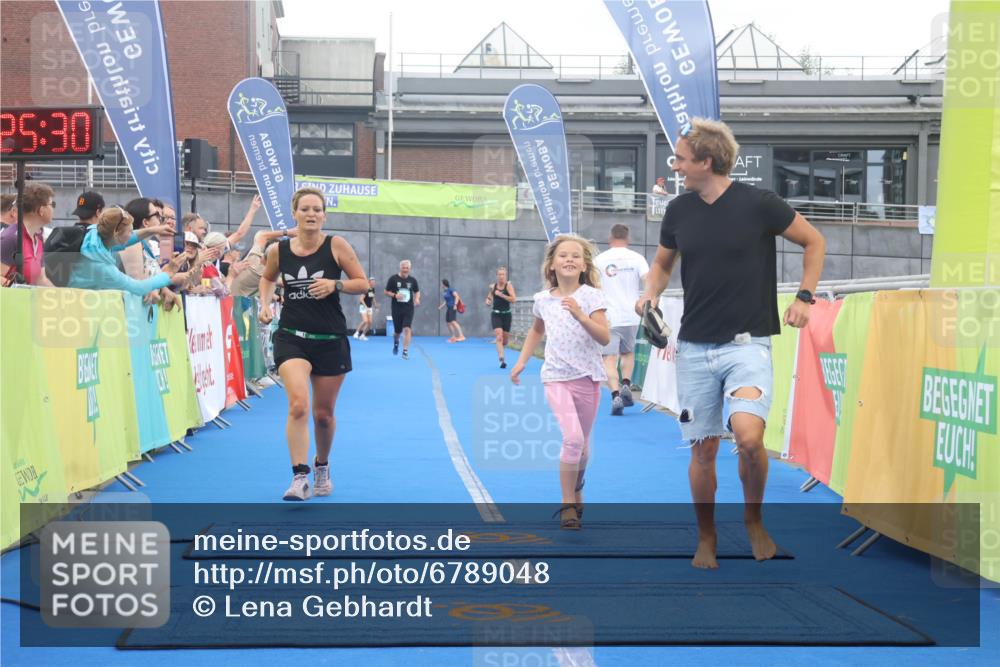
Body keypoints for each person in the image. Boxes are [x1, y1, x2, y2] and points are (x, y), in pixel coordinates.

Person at [636, 118, 825, 569]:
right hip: (694, 348)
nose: (675, 166)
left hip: (748, 345)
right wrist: (650, 294)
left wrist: (805, 297)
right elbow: (662, 265)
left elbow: (814, 241)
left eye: (681, 158)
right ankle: (707, 537)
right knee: (704, 449)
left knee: (749, 437)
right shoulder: (679, 210)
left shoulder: (759, 204)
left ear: (706, 161)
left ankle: (754, 520)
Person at [258, 187, 367, 501]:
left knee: (323, 414)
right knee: (298, 405)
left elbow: (361, 282)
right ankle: (299, 476)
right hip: (292, 337)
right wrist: (266, 304)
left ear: (324, 215)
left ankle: (322, 465)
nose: (311, 214)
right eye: (304, 209)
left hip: (330, 339)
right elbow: (267, 278)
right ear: (294, 213)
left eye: (317, 209)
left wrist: (335, 283)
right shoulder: (280, 250)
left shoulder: (336, 246)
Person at [510, 234, 610, 530]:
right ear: (552, 264)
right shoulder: (542, 300)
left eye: (576, 256)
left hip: (588, 378)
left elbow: (604, 337)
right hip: (555, 378)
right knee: (573, 439)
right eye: (563, 255)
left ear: (584, 265)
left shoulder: (592, 297)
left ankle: (578, 487)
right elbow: (536, 331)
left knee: (584, 447)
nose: (569, 259)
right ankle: (567, 504)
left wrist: (581, 315)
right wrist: (522, 361)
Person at [68, 207, 189, 296]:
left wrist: (153, 230)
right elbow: (138, 288)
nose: (132, 234)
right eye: (130, 231)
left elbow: (128, 237)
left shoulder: (94, 234)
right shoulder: (101, 268)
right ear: (116, 233)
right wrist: (167, 274)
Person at [595, 224, 649, 415]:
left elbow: (592, 285)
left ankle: (615, 395)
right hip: (631, 314)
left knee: (609, 358)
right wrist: (647, 300)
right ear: (628, 238)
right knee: (627, 354)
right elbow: (648, 279)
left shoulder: (599, 260)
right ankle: (626, 383)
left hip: (608, 316)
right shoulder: (637, 258)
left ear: (610, 238)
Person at [1, 182, 55, 286]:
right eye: (52, 204)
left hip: (27, 300)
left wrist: (61, 296)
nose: (53, 209)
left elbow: (41, 279)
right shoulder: (11, 238)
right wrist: (16, 288)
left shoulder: (38, 238)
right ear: (41, 210)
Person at [228, 228, 297, 298]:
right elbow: (290, 284)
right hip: (234, 303)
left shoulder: (254, 257)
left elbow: (261, 235)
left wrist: (288, 232)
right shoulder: (265, 271)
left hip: (231, 299)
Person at [384, 260, 420, 359]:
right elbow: (386, 292)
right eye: (403, 268)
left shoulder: (412, 280)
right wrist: (395, 295)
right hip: (396, 309)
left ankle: (405, 351)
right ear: (400, 268)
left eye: (407, 268)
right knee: (397, 331)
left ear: (409, 269)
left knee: (407, 328)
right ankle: (396, 342)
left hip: (409, 308)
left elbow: (417, 291)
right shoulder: (393, 279)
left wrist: (417, 299)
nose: (405, 270)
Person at [485, 266, 516, 368]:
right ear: (497, 276)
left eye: (503, 274)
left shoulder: (508, 286)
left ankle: (501, 350)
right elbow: (490, 297)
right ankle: (502, 359)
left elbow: (513, 299)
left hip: (507, 314)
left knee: (505, 340)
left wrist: (502, 295)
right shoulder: (493, 287)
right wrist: (488, 301)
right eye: (499, 274)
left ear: (505, 275)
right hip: (496, 314)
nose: (501, 276)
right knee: (499, 336)